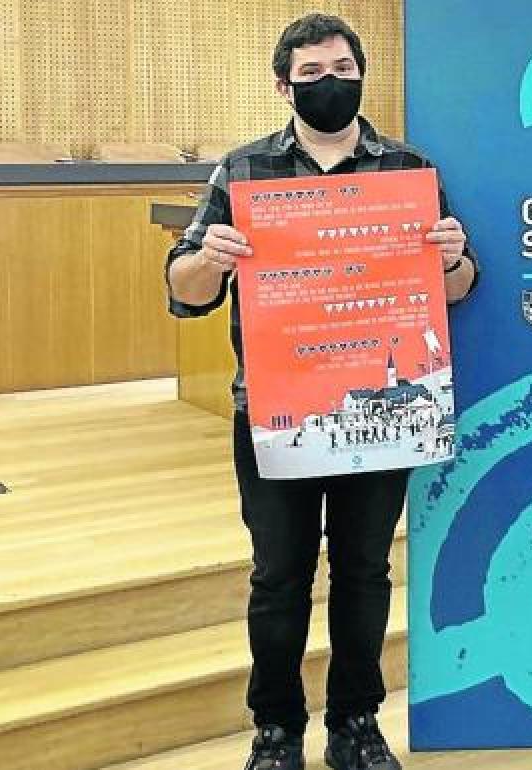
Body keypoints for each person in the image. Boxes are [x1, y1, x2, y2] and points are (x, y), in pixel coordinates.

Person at [165, 14, 478, 770]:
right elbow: (183, 291)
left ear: (362, 75)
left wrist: (451, 256)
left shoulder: (409, 169)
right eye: (311, 73)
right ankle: (275, 730)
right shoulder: (243, 170)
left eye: (341, 69)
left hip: (383, 414)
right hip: (275, 412)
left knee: (365, 573)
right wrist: (210, 258)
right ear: (284, 86)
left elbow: (461, 289)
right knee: (279, 577)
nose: (329, 83)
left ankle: (354, 725)